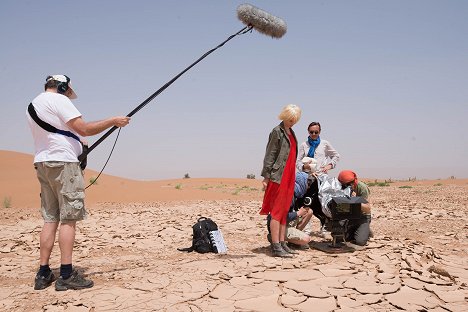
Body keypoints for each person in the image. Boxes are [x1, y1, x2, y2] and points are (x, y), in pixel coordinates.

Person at [27, 75, 130, 291]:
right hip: (64, 164)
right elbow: (84, 128)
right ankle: (66, 274)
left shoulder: (33, 104)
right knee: (69, 219)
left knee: (50, 218)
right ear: (63, 86)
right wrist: (114, 121)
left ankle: (43, 273)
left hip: (43, 163)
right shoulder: (60, 100)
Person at [260, 104, 301, 257]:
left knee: (284, 211)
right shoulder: (277, 132)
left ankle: (283, 243)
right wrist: (266, 177)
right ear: (284, 116)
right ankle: (276, 246)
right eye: (290, 120)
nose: (292, 122)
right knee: (276, 212)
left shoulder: (291, 132)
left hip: (290, 176)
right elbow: (270, 155)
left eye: (294, 120)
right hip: (279, 176)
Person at [296, 121, 340, 233]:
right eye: (311, 132)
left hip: (321, 179)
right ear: (308, 132)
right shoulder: (303, 145)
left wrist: (330, 165)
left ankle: (324, 228)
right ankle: (305, 229)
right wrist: (304, 166)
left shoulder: (325, 144)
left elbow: (336, 155)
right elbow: (297, 162)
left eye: (316, 132)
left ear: (320, 131)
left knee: (322, 203)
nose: (314, 134)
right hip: (307, 179)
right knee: (306, 202)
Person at [266, 172, 314, 248]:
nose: (308, 188)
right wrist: (298, 213)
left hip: (285, 222)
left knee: (309, 212)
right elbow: (279, 217)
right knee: (306, 239)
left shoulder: (294, 192)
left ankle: (293, 242)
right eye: (307, 184)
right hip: (277, 225)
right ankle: (274, 237)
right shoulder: (287, 194)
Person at [337, 170, 372, 246]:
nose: (350, 185)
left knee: (360, 242)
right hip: (349, 216)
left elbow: (367, 209)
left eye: (351, 183)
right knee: (339, 239)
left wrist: (355, 201)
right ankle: (358, 230)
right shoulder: (339, 188)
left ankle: (365, 229)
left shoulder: (362, 187)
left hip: (362, 216)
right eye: (346, 184)